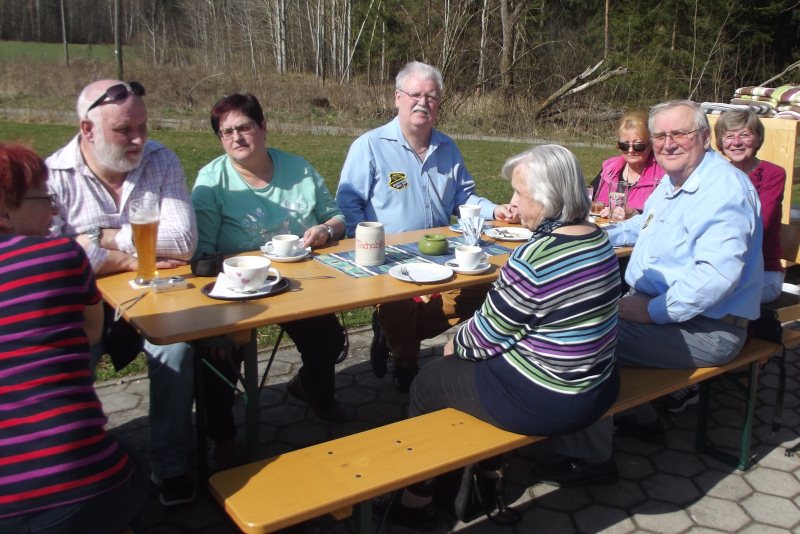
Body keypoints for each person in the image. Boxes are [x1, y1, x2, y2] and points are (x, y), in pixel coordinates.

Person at [384, 145, 621, 530]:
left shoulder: (535, 257)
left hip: (553, 401)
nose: (511, 203)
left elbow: (483, 337)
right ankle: (486, 474)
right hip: (598, 388)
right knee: (471, 370)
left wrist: (452, 347)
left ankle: (417, 499)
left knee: (429, 381)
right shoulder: (597, 239)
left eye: (518, 194)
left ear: (546, 199)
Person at [532, 100, 763, 487]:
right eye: (660, 136)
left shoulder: (722, 190)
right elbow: (641, 229)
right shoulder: (677, 183)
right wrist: (583, 235)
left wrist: (651, 311)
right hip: (676, 315)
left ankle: (590, 459)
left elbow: (717, 276)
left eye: (680, 134)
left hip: (708, 328)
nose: (668, 144)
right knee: (577, 316)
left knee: (578, 340)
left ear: (705, 138)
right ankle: (641, 418)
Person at [46, 79, 199, 506]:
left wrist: (101, 238)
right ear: (87, 129)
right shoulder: (53, 175)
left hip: (156, 295)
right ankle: (75, 468)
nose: (138, 139)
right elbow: (54, 256)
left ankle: (170, 466)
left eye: (143, 127)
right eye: (124, 130)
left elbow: (183, 240)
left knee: (176, 349)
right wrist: (132, 257)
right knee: (70, 359)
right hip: (81, 305)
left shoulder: (159, 158)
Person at [336, 61, 518, 391]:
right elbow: (349, 204)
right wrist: (363, 246)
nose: (423, 102)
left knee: (483, 290)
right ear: (397, 98)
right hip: (389, 260)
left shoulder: (447, 148)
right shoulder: (370, 146)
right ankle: (406, 367)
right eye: (415, 94)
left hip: (441, 255)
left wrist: (498, 210)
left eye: (432, 96)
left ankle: (392, 336)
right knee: (398, 302)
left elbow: (464, 198)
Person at [192, 93, 347, 466]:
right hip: (238, 288)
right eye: (226, 132)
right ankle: (223, 437)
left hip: (299, 283)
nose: (236, 137)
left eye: (244, 127)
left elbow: (337, 217)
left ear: (263, 127)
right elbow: (202, 258)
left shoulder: (298, 168)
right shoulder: (212, 181)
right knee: (216, 357)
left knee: (328, 339)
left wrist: (324, 230)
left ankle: (311, 390)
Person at [0, 144, 147, 532]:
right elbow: (91, 333)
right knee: (134, 462)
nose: (55, 210)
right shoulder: (59, 255)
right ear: (4, 212)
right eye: (45, 198)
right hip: (75, 485)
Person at [714, 108, 786, 303]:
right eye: (729, 136)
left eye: (744, 135)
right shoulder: (715, 174)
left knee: (710, 297)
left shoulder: (773, 174)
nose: (736, 142)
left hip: (762, 272)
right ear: (721, 142)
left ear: (757, 138)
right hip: (718, 267)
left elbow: (760, 224)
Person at [591, 110, 663, 220]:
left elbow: (665, 215)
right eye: (624, 145)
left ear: (651, 144)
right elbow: (588, 198)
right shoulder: (610, 168)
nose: (630, 150)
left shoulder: (662, 175)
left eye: (638, 146)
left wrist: (635, 213)